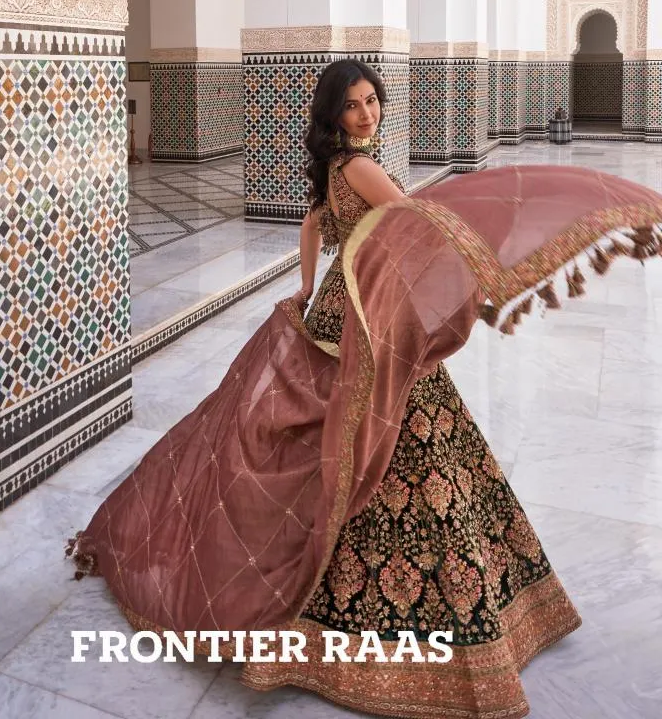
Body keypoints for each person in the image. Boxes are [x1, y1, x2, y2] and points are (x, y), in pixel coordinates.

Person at [68, 58, 662, 719]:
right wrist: (479, 258)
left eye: (372, 100)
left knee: (362, 438)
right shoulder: (358, 166)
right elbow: (418, 225)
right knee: (400, 442)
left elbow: (313, 223)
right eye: (353, 105)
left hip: (341, 308)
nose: (367, 114)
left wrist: (307, 287)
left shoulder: (335, 166)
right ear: (334, 114)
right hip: (365, 324)